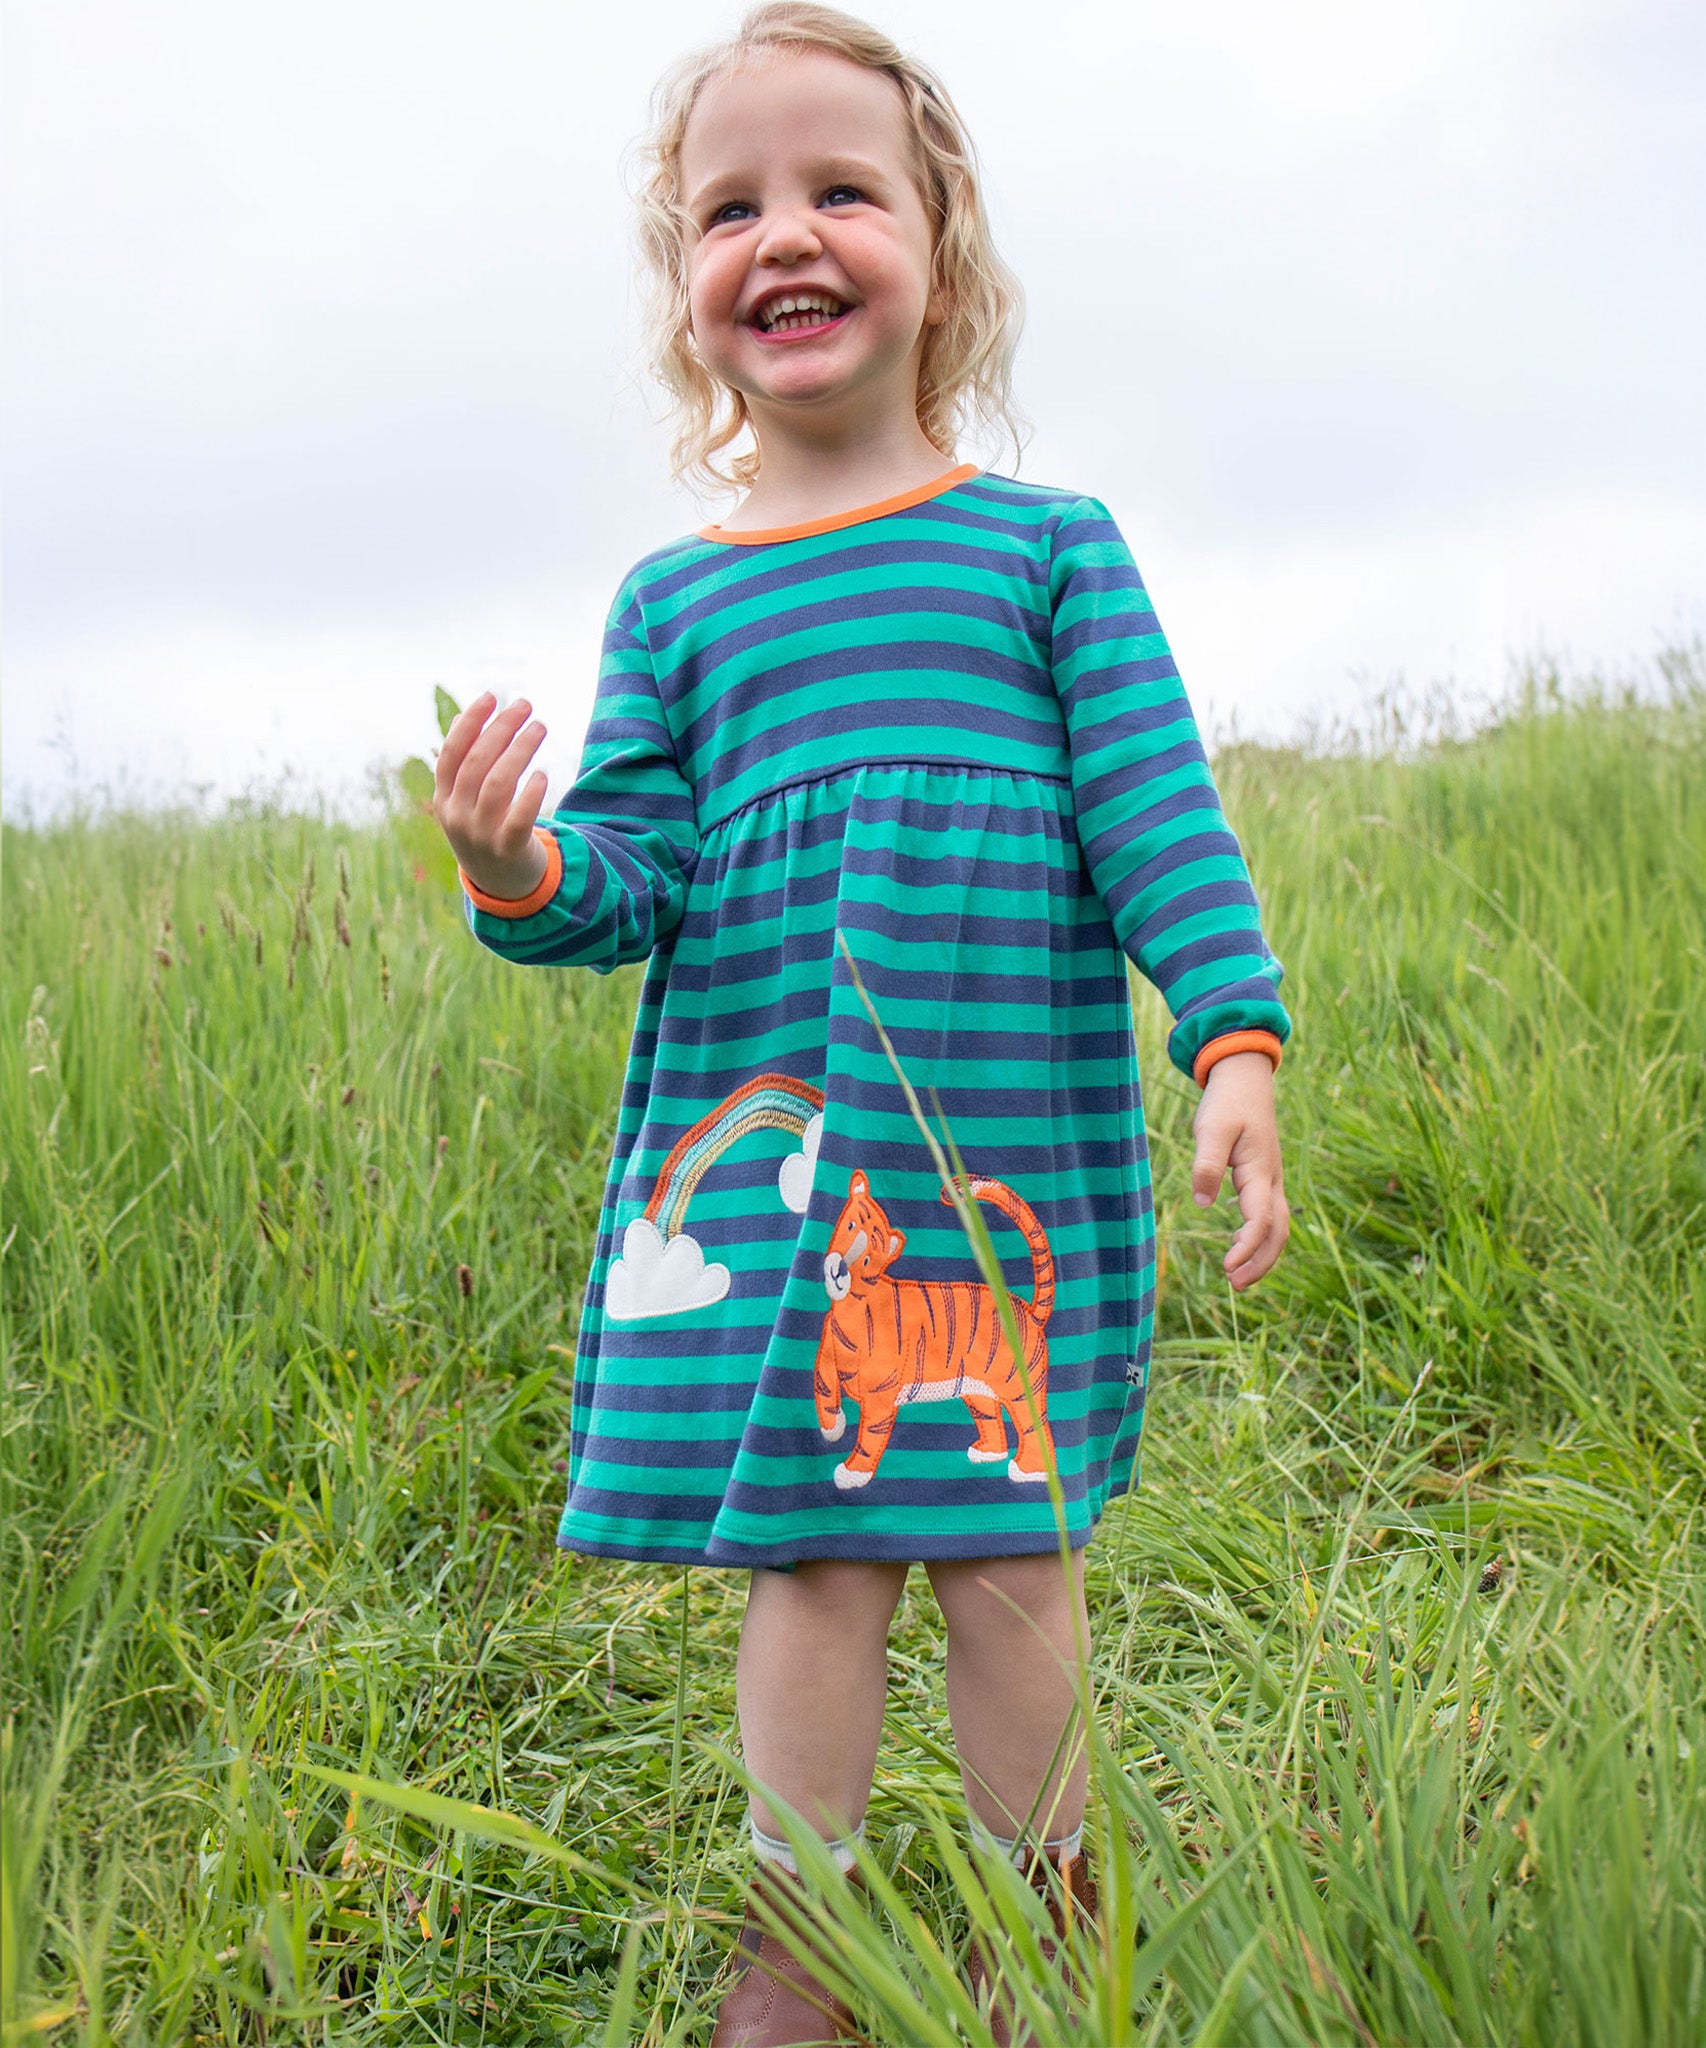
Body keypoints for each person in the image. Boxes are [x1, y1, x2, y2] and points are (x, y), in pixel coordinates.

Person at [432, 5, 1291, 2040]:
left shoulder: (1042, 555)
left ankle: (1053, 1940)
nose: (782, 235)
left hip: (1001, 1153)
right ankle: (798, 1946)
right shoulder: (677, 603)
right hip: (785, 1168)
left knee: (1006, 1556)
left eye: (838, 189)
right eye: (728, 208)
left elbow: (1155, 816)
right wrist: (519, 871)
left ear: (939, 249)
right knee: (811, 1559)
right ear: (686, 293)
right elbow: (628, 876)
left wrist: (1232, 1039)